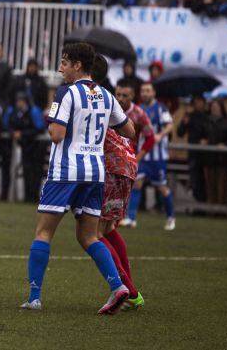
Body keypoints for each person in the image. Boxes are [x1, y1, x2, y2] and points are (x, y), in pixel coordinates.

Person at [20, 42, 135, 314]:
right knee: (88, 237)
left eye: (64, 62)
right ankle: (119, 287)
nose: (60, 67)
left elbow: (57, 135)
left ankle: (34, 298)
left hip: (66, 171)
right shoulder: (107, 95)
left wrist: (54, 116)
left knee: (44, 232)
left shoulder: (66, 93)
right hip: (95, 172)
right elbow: (129, 129)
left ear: (77, 66)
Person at [92, 57, 147, 311]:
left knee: (92, 234)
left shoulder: (91, 95)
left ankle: (127, 289)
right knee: (109, 228)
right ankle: (133, 292)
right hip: (126, 165)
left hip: (113, 167)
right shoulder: (108, 99)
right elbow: (132, 131)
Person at [122, 82, 175, 230]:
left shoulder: (161, 108)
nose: (145, 93)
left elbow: (170, 125)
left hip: (158, 156)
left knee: (162, 187)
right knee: (137, 184)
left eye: (148, 91)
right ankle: (131, 218)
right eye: (143, 91)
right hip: (143, 154)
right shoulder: (139, 109)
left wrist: (160, 135)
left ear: (154, 93)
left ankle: (170, 217)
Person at [4, 92, 46, 202]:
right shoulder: (13, 112)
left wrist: (22, 134)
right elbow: (6, 125)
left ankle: (34, 197)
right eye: (18, 100)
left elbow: (40, 128)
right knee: (26, 171)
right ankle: (27, 197)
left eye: (21, 100)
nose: (19, 103)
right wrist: (13, 132)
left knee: (36, 172)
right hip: (25, 146)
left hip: (37, 146)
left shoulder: (34, 111)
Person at [200, 100, 227, 205]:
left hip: (224, 160)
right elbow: (201, 135)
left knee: (222, 188)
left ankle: (222, 213)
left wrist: (226, 145)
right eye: (212, 106)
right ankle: (211, 212)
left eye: (216, 106)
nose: (214, 108)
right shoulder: (206, 121)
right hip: (209, 159)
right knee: (210, 187)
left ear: (221, 108)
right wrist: (203, 140)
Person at [177, 95, 208, 202]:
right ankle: (198, 205)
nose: (198, 104)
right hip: (193, 153)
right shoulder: (189, 116)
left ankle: (205, 205)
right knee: (195, 180)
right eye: (196, 102)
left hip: (208, 154)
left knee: (206, 181)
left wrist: (207, 140)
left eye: (200, 101)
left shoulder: (208, 116)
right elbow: (180, 133)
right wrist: (184, 123)